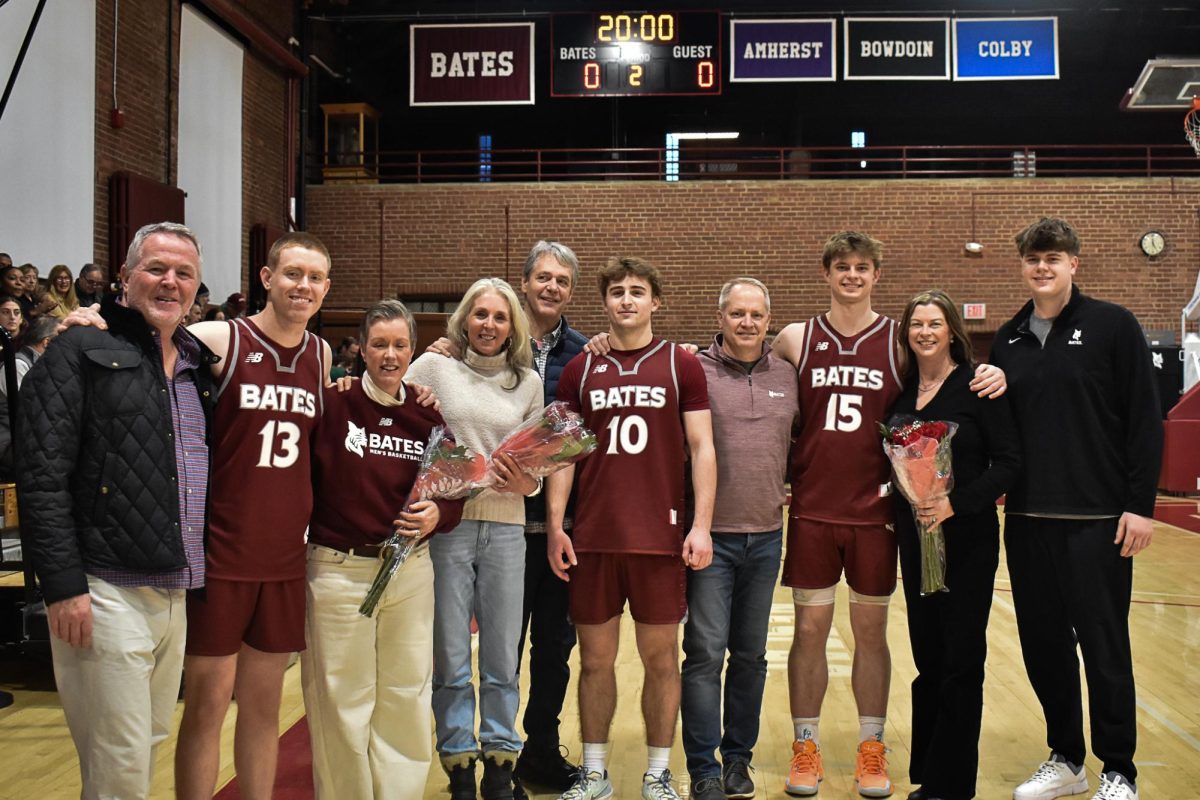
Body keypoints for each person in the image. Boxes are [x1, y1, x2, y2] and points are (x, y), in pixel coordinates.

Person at [771, 232, 1006, 799]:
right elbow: (738, 365)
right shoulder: (793, 339)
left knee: (871, 634)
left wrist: (999, 373)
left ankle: (871, 748)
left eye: (863, 267)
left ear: (877, 275)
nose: (852, 275)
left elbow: (948, 382)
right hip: (811, 510)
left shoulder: (899, 346)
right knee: (809, 631)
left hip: (879, 513)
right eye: (842, 266)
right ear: (826, 272)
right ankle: (806, 747)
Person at [15, 221, 214, 799]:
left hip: (174, 590)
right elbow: (41, 475)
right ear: (124, 279)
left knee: (144, 746)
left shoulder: (199, 364)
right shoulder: (79, 348)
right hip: (104, 589)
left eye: (184, 274)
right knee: (118, 768)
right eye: (156, 269)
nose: (169, 282)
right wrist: (62, 586)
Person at [990, 218, 1162, 800]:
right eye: (1034, 259)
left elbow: (1144, 421)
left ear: (1073, 265)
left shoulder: (1113, 325)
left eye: (1054, 258)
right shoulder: (1008, 338)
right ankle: (1066, 757)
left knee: (1104, 645)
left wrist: (1140, 507)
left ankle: (1119, 769)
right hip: (1029, 519)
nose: (1043, 267)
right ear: (1022, 266)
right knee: (1044, 648)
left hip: (1098, 521)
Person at [548, 256, 716, 800]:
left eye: (637, 291)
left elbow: (701, 447)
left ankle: (658, 773)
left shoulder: (679, 364)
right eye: (617, 292)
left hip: (659, 540)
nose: (626, 300)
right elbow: (564, 456)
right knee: (594, 662)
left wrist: (702, 526)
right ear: (605, 303)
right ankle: (595, 772)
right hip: (594, 538)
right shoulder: (580, 370)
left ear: (655, 302)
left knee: (661, 661)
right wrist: (556, 526)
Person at [173, 232, 333, 800]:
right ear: (267, 278)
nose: (303, 286)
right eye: (292, 273)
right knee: (207, 708)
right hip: (220, 556)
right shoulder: (222, 337)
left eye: (314, 278)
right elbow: (147, 345)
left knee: (263, 709)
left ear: (325, 289)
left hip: (286, 559)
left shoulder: (321, 355)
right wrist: (92, 321)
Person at [302, 299, 465, 799]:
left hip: (409, 572)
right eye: (379, 345)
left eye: (399, 345)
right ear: (361, 350)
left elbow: (454, 487)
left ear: (412, 350)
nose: (390, 356)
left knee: (405, 696)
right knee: (342, 702)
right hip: (338, 570)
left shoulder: (426, 413)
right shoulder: (334, 404)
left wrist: (439, 515)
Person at [406, 277, 544, 800]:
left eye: (500, 317)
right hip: (447, 528)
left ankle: (502, 761)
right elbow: (400, 422)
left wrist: (527, 482)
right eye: (480, 314)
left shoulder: (527, 382)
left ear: (513, 327)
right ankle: (459, 761)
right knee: (451, 651)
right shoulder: (433, 368)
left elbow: (538, 466)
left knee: (503, 656)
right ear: (465, 319)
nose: (489, 324)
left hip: (508, 526)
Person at [890, 290, 1021, 800]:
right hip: (916, 541)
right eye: (917, 323)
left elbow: (1009, 463)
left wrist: (955, 504)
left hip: (966, 540)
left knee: (962, 661)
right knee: (929, 660)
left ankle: (953, 784)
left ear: (952, 332)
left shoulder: (977, 386)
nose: (925, 331)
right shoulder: (903, 394)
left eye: (935, 323)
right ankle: (928, 771)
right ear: (907, 333)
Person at [683, 277, 798, 800]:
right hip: (711, 539)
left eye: (756, 314)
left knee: (750, 656)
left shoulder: (789, 375)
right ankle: (702, 767)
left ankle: (737, 760)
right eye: (737, 313)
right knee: (705, 654)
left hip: (768, 537)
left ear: (768, 320)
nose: (747, 323)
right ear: (720, 315)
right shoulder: (693, 370)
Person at [0, 315, 58, 396]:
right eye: (61, 341)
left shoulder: (44, 364)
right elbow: (24, 404)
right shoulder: (18, 364)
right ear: (47, 342)